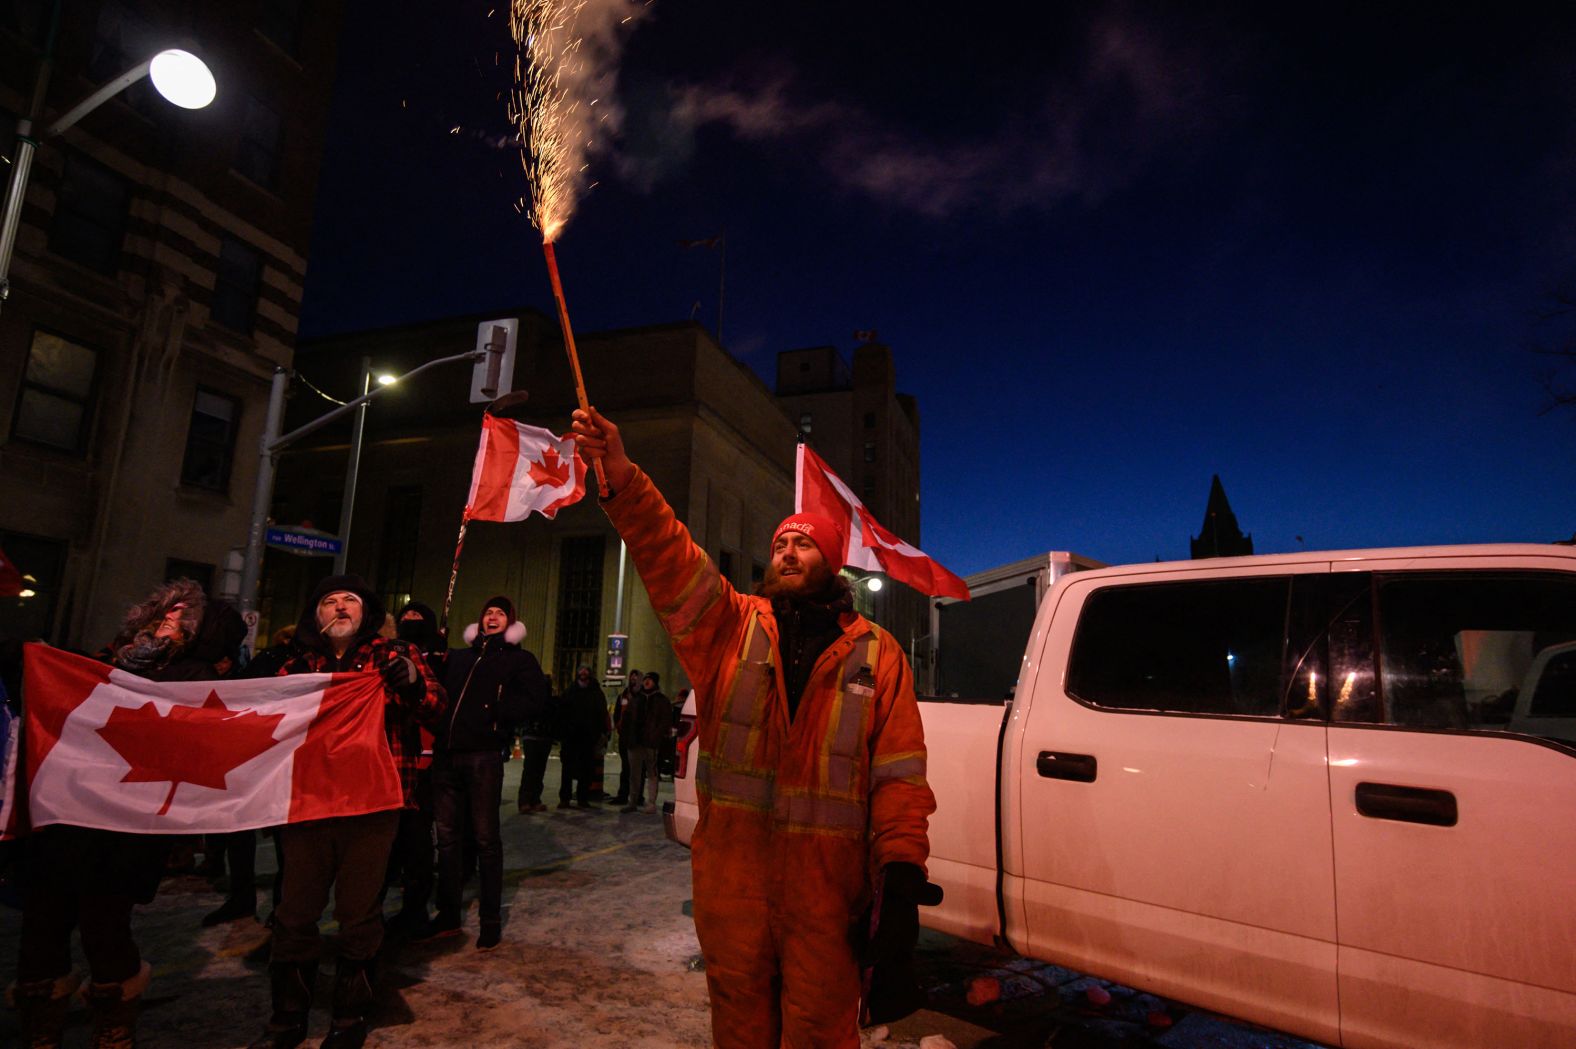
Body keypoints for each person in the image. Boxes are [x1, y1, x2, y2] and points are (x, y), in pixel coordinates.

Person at [572, 407, 939, 1047]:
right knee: (739, 1030)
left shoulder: (877, 653)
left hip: (828, 897)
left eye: (802, 542)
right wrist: (623, 476)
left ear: (832, 560)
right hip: (733, 889)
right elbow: (666, 553)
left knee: (820, 1034)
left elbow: (900, 776)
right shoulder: (729, 628)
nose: (787, 551)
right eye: (779, 543)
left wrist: (901, 869)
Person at [16, 580, 231, 1048]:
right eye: (163, 612)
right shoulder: (102, 661)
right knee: (43, 922)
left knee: (104, 923)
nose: (168, 621)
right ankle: (42, 1015)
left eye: (181, 617)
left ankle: (115, 1021)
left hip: (125, 823)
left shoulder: (193, 677)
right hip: (67, 812)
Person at [251, 574, 445, 1049]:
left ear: (367, 614)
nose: (339, 608)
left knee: (359, 910)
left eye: (350, 601)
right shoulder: (296, 666)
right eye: (329, 601)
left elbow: (436, 709)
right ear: (315, 616)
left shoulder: (393, 657)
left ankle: (349, 1014)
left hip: (372, 804)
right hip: (310, 803)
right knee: (295, 910)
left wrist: (415, 684)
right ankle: (289, 1015)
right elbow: (266, 723)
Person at [424, 596, 548, 951]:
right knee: (447, 840)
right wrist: (433, 654)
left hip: (483, 756)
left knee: (485, 840)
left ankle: (490, 919)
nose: (492, 617)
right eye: (488, 612)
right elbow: (433, 690)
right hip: (447, 756)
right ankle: (448, 913)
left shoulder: (518, 660)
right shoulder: (460, 658)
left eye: (500, 613)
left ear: (510, 624)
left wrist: (497, 713)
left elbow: (536, 699)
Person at [385, 601, 446, 935]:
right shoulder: (386, 656)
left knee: (417, 842)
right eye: (405, 618)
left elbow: (438, 703)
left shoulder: (438, 661)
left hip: (427, 764)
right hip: (393, 762)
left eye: (418, 619)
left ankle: (415, 908)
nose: (410, 623)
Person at [556, 665, 609, 810]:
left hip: (588, 738)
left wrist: (601, 734)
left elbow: (602, 714)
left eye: (586, 671)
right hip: (571, 738)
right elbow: (562, 713)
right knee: (567, 770)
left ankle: (582, 797)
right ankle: (565, 798)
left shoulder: (596, 693)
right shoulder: (570, 692)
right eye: (581, 670)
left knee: (586, 770)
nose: (583, 673)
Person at [619, 672, 669, 814]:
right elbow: (627, 719)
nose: (647, 682)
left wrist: (656, 737)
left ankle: (651, 802)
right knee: (634, 774)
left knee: (651, 773)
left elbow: (664, 721)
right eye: (645, 679)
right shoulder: (636, 699)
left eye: (650, 680)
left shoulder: (661, 700)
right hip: (635, 742)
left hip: (650, 743)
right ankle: (632, 801)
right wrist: (627, 737)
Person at [607, 669, 642, 806]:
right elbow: (617, 714)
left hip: (638, 738)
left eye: (636, 677)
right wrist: (618, 726)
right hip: (625, 737)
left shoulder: (643, 696)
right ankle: (623, 795)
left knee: (638, 769)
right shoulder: (623, 696)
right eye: (632, 677)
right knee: (626, 768)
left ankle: (637, 796)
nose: (633, 680)